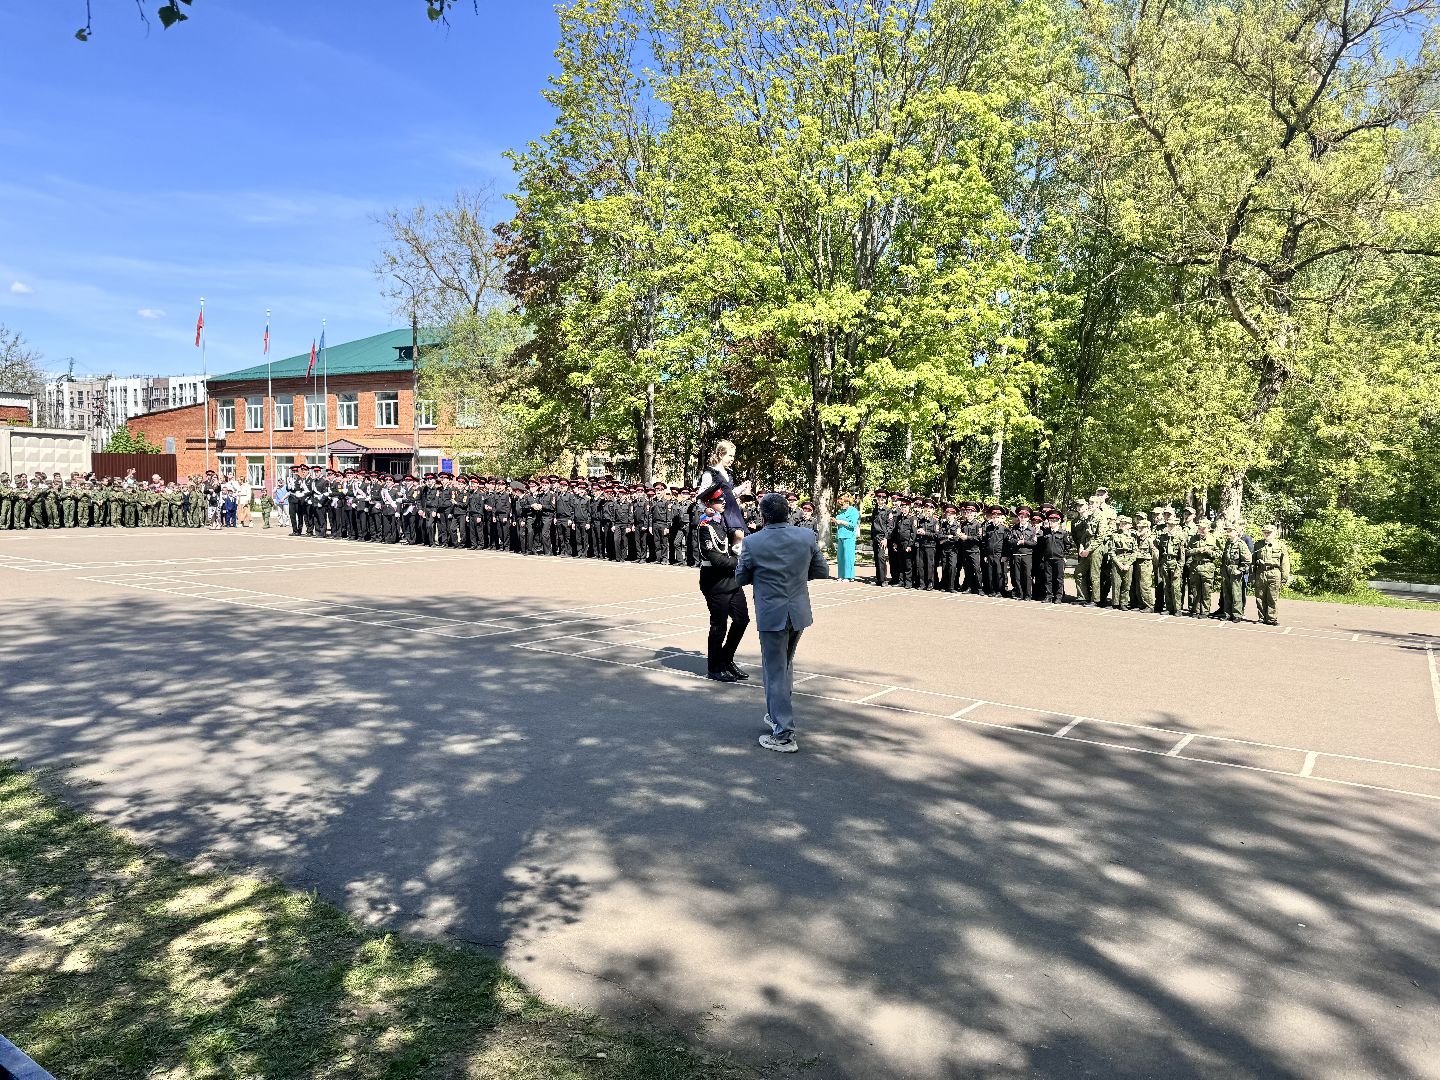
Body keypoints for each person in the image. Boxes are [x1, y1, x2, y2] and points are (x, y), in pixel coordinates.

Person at [734, 492, 831, 753]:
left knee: (775, 671)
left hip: (771, 612)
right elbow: (822, 571)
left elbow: (740, 578)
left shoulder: (753, 542)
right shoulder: (805, 536)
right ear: (788, 512)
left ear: (763, 516)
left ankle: (784, 733)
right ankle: (777, 714)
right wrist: (795, 577)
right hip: (797, 610)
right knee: (784, 667)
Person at [697, 483, 751, 682]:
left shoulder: (724, 522)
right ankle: (714, 668)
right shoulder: (705, 527)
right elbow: (717, 560)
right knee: (719, 626)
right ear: (708, 503)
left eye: (723, 499)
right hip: (715, 582)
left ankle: (726, 659)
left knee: (742, 620)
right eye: (719, 500)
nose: (723, 503)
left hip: (732, 580)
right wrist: (741, 561)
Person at [697, 440, 750, 541]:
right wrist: (705, 509)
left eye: (733, 456)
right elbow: (700, 496)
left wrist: (742, 488)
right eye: (730, 456)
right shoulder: (710, 473)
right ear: (721, 455)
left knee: (741, 538)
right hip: (719, 513)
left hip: (732, 511)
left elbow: (729, 494)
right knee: (738, 536)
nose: (732, 459)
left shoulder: (729, 474)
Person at [1251, 524, 1292, 625]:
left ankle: (1271, 619)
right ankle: (1262, 618)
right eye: (1265, 532)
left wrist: (1284, 577)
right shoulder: (1258, 545)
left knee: (1272, 597)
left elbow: (1285, 562)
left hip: (1274, 573)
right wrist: (1252, 576)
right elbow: (1253, 562)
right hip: (1261, 573)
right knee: (1260, 597)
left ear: (1274, 533)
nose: (1267, 534)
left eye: (1269, 532)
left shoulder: (1280, 545)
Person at [832, 494, 859, 581]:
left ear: (848, 502)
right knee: (840, 556)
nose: (842, 505)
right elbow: (838, 520)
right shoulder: (841, 511)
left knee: (848, 556)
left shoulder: (853, 511)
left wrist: (841, 522)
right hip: (840, 535)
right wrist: (835, 521)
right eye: (841, 503)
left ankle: (849, 576)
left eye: (844, 503)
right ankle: (841, 575)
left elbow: (852, 525)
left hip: (849, 536)